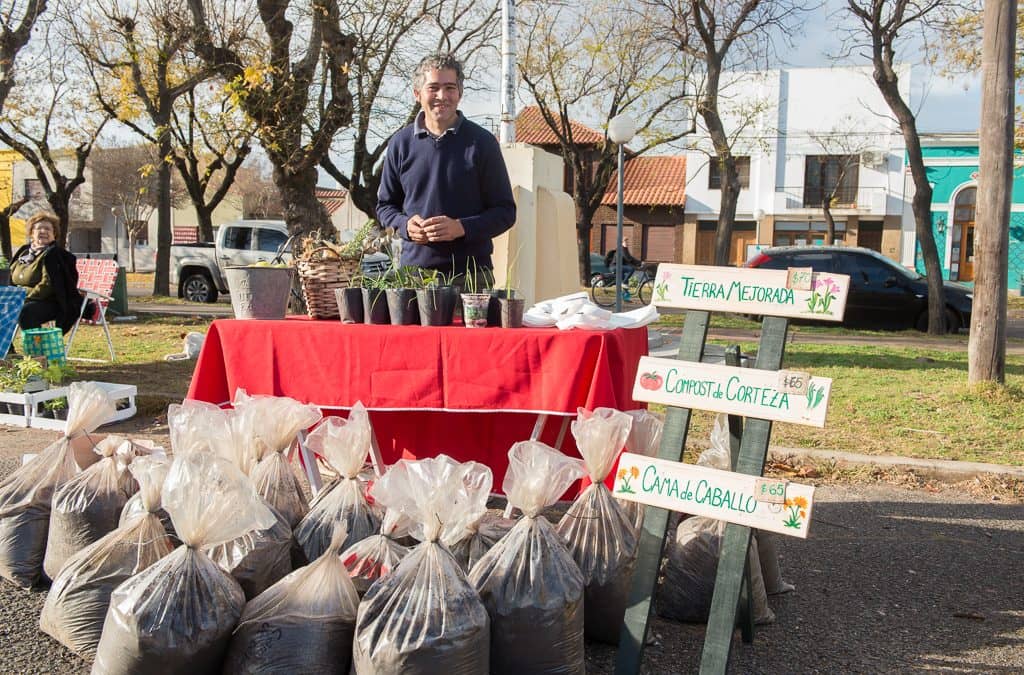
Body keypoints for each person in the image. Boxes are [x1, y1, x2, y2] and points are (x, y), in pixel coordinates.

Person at [376, 53, 516, 288]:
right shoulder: (400, 144)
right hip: (413, 276)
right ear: (417, 94)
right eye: (434, 88)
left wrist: (461, 227)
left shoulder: (482, 143)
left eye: (450, 88)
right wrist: (405, 225)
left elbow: (505, 212)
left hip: (472, 278)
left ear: (460, 94)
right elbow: (385, 207)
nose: (442, 96)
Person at [11, 212, 82, 334]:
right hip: (22, 299)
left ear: (54, 234)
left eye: (48, 229)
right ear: (31, 233)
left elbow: (47, 286)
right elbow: (10, 277)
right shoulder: (23, 252)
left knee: (26, 311)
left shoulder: (55, 255)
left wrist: (23, 297)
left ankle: (37, 351)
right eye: (39, 228)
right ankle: (7, 349)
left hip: (52, 302)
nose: (43, 231)